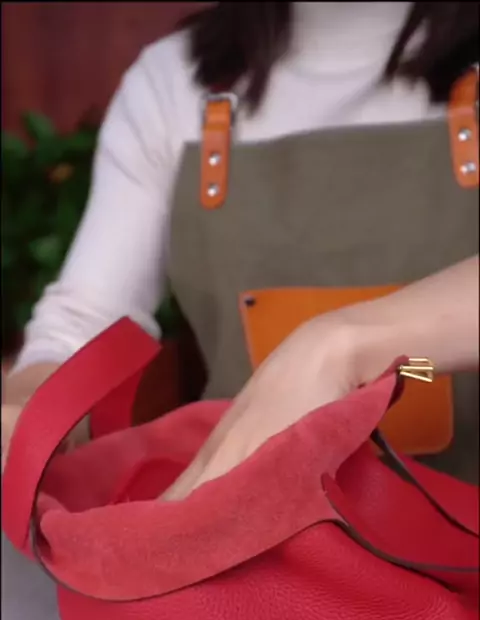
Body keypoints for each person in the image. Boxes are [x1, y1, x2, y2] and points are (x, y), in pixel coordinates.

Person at [2, 2, 479, 493]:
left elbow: (406, 372)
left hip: (464, 518)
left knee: (413, 374)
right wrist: (24, 411)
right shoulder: (173, 81)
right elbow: (86, 318)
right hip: (245, 518)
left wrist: (338, 348)